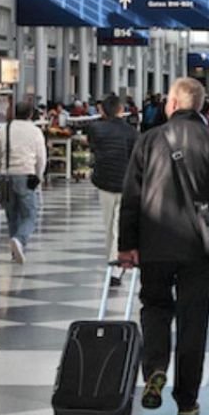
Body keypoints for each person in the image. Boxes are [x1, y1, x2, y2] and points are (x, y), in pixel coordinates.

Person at [118, 77, 209, 415]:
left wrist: (126, 245)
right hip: (198, 246)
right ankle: (187, 399)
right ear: (202, 106)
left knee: (155, 307)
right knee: (193, 319)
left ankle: (155, 368)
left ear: (171, 103)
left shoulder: (148, 140)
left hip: (154, 241)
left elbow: (131, 198)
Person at [87, 95, 139, 284]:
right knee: (119, 224)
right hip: (126, 184)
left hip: (104, 182)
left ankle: (113, 260)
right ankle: (116, 264)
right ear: (120, 109)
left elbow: (93, 149)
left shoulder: (95, 129)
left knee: (108, 224)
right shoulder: (132, 132)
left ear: (102, 110)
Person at [0, 101, 48, 265]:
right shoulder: (35, 131)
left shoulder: (4, 129)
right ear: (30, 114)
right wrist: (39, 175)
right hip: (26, 175)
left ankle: (15, 251)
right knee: (30, 214)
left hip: (6, 176)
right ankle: (19, 240)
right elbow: (41, 157)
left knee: (12, 215)